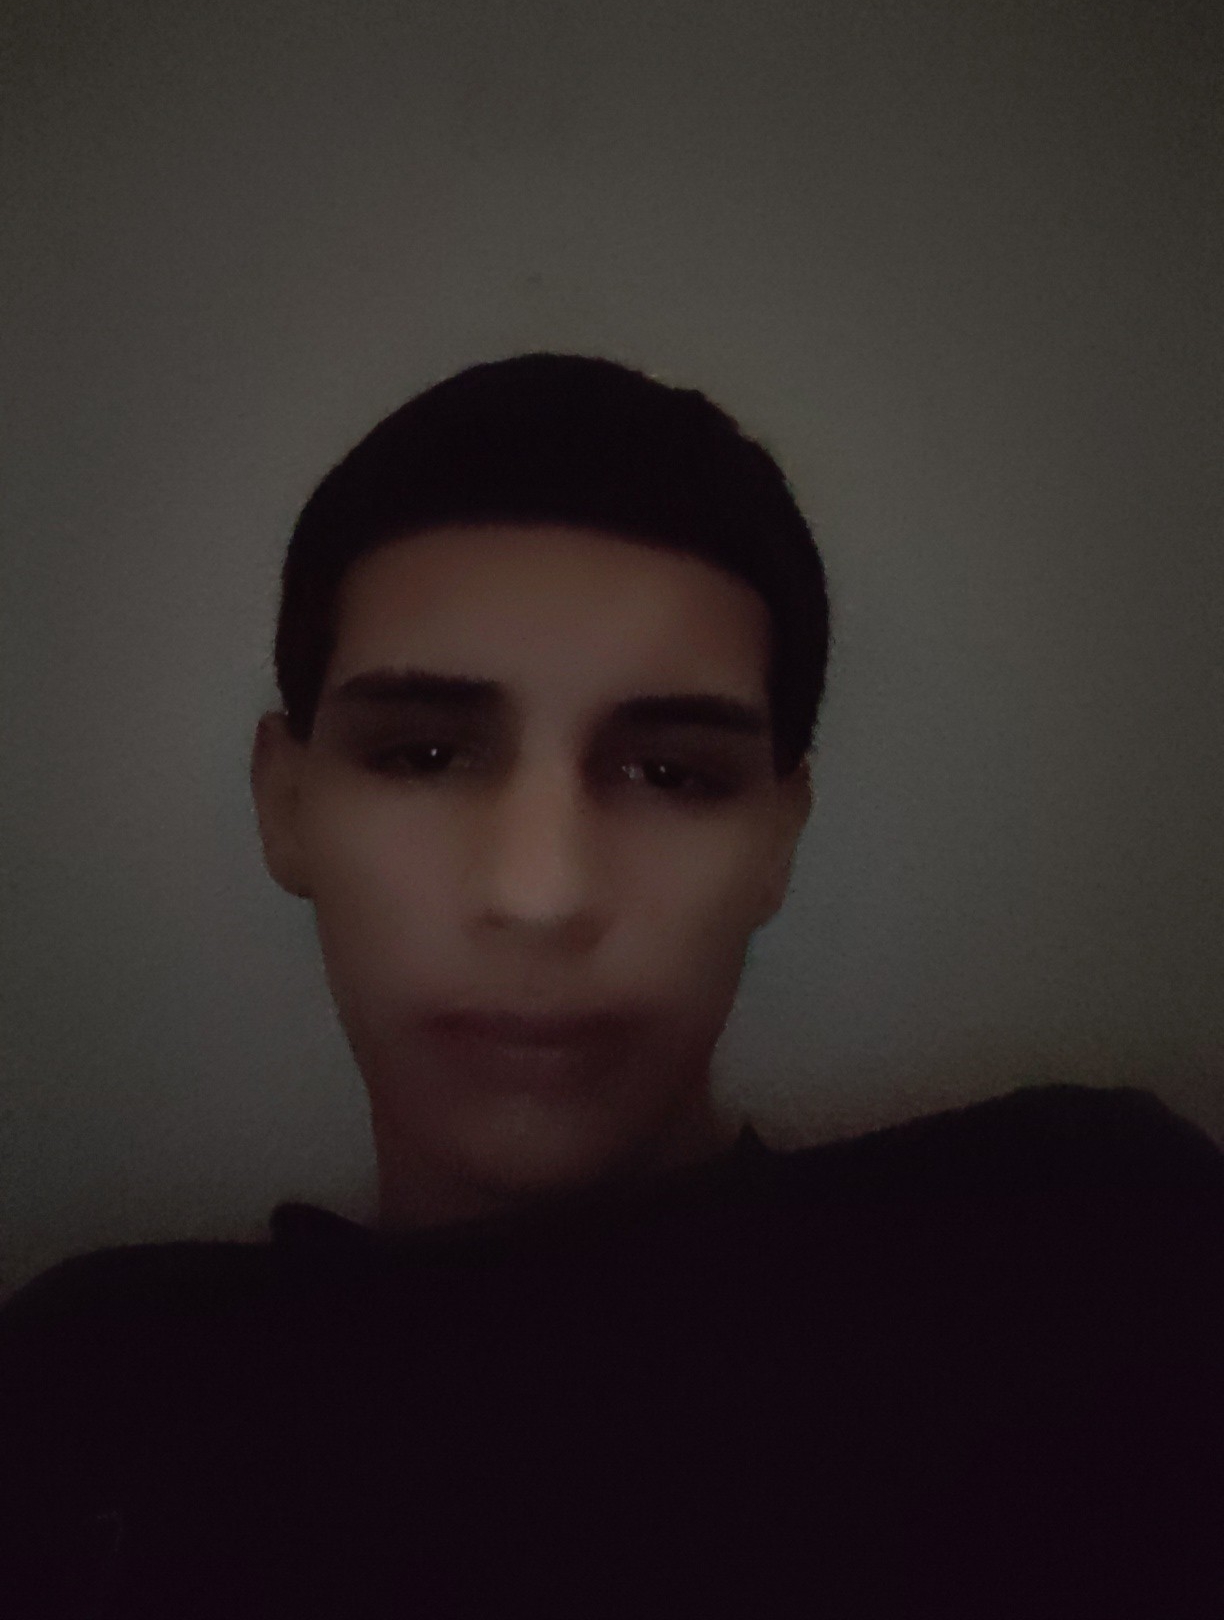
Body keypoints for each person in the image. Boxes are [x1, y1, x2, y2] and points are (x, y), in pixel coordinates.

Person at [1, 353, 1221, 1618]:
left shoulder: (1079, 1264)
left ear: (778, 841)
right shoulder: (91, 1390)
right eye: (424, 754)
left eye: (675, 775)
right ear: (286, 803)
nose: (542, 896)